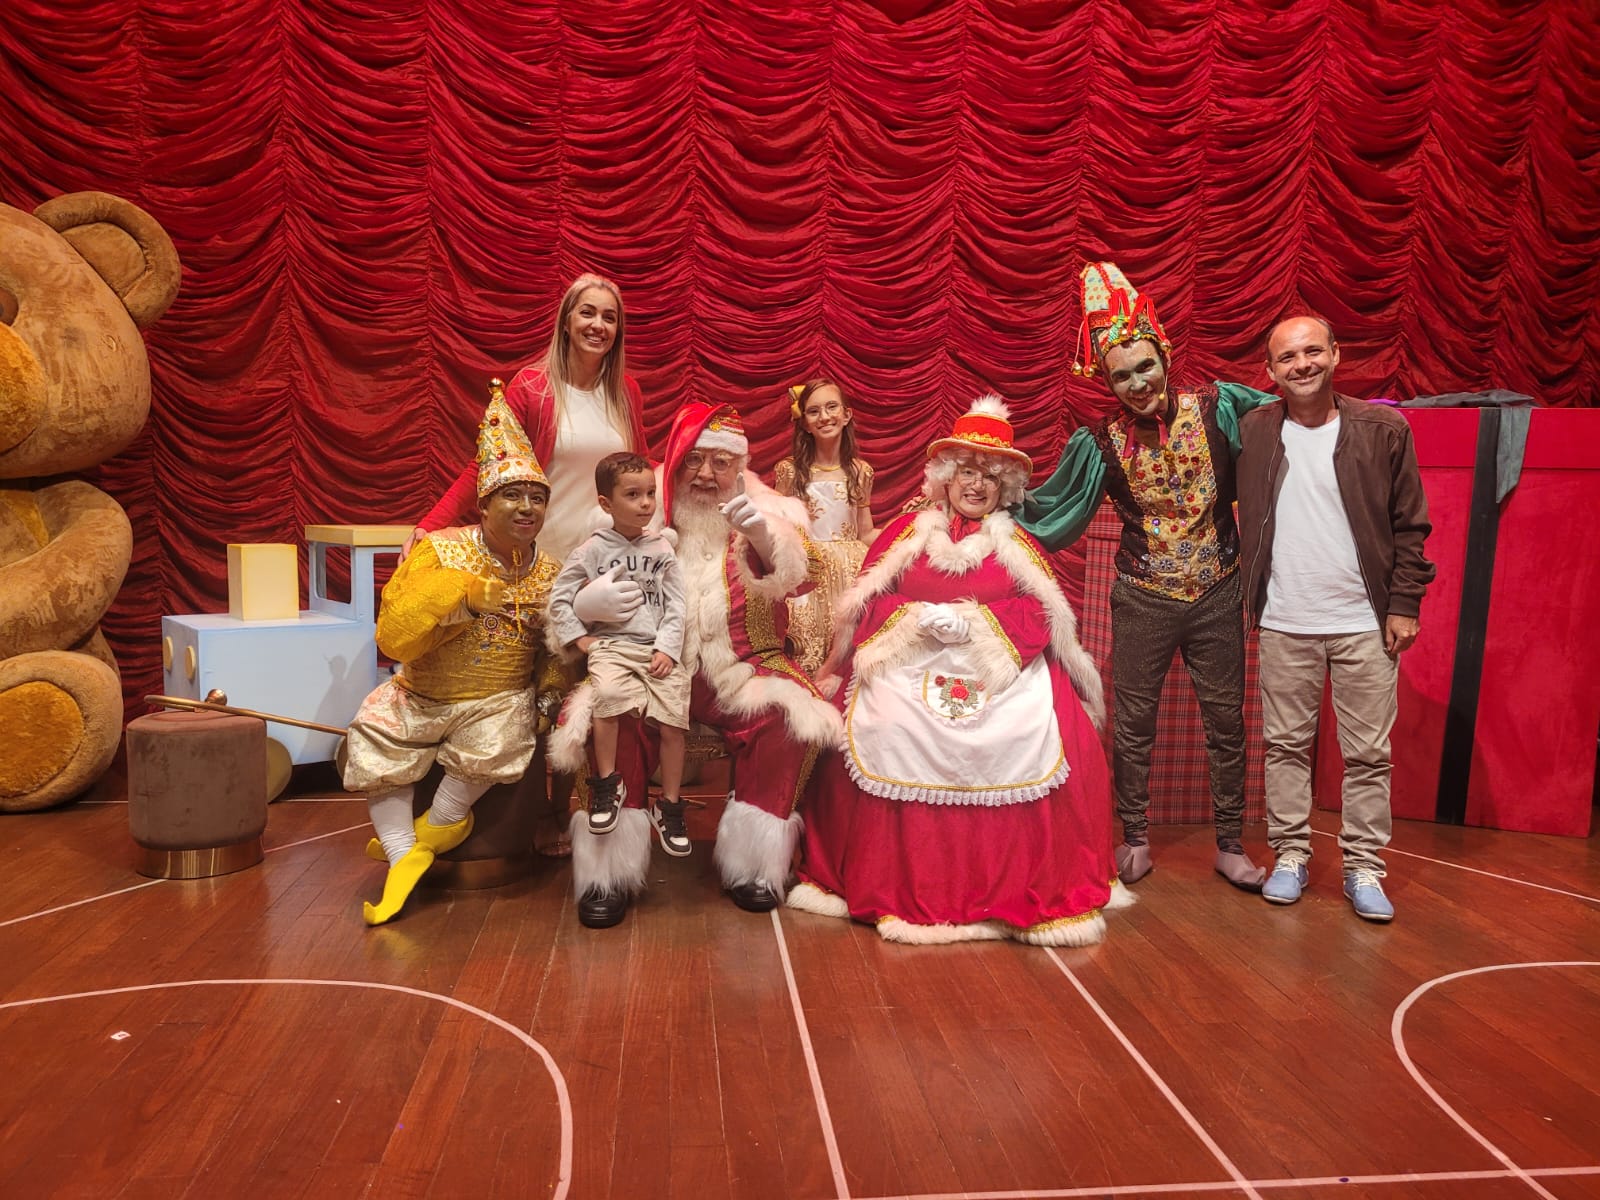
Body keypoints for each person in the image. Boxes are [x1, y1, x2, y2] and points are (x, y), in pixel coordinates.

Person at [788, 396, 1130, 946]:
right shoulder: (905, 535)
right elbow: (865, 607)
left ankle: (1000, 886)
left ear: (1005, 487)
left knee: (1038, 733)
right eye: (967, 471)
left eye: (990, 477)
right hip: (907, 664)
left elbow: (1044, 617)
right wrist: (914, 619)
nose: (976, 485)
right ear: (945, 477)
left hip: (998, 673)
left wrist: (974, 623)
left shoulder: (1018, 545)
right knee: (881, 725)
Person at [1020, 262, 1274, 891]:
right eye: (1121, 375)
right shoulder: (1100, 443)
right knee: (1133, 723)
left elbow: (1286, 427)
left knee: (1227, 723)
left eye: (1144, 367)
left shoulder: (1219, 408)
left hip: (1218, 591)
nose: (1137, 383)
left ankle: (1230, 844)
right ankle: (1134, 839)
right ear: (1106, 382)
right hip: (1142, 597)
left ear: (1164, 356)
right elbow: (1051, 510)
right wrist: (986, 500)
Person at [549, 402, 843, 928]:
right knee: (609, 713)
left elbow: (807, 578)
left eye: (721, 462)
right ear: (677, 461)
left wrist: (763, 538)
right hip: (646, 662)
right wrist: (586, 609)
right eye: (694, 460)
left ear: (740, 467)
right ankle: (609, 874)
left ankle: (753, 864)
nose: (706, 474)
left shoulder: (768, 515)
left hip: (744, 665)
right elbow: (568, 597)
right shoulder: (634, 515)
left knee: (786, 718)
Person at [407, 273, 648, 857]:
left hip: (605, 564)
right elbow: (487, 464)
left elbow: (639, 469)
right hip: (541, 559)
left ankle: (576, 808)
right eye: (587, 312)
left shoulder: (626, 392)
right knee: (541, 682)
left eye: (609, 317)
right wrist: (433, 522)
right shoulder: (534, 387)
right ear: (566, 319)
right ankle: (529, 811)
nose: (597, 325)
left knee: (589, 686)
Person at [1238, 315, 1434, 922]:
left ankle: (1363, 867)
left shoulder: (1383, 429)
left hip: (1363, 622)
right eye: (1288, 357)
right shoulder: (1254, 430)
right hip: (1284, 619)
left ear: (1336, 354)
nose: (1302, 364)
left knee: (1369, 754)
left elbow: (1411, 525)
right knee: (1285, 748)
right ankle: (1291, 855)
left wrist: (1404, 604)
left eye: (1313, 351)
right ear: (1270, 371)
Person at [344, 396, 562, 925]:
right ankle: (403, 852)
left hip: (497, 699)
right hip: (421, 692)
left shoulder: (553, 572)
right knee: (375, 736)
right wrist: (461, 597)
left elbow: (555, 650)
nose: (527, 507)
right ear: (483, 506)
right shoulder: (440, 551)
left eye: (537, 497)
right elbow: (393, 636)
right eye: (512, 495)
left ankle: (435, 828)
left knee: (503, 734)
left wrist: (550, 695)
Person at [546, 451, 691, 858]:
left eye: (650, 494)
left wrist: (668, 647)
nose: (646, 503)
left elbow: (677, 604)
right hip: (612, 647)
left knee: (674, 721)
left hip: (656, 650)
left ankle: (670, 805)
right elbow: (560, 598)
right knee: (607, 699)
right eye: (633, 495)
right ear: (606, 503)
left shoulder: (662, 548)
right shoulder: (592, 549)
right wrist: (579, 639)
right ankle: (608, 785)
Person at [771, 379, 877, 675]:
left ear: (846, 414)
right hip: (808, 572)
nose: (825, 416)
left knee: (843, 653)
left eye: (832, 407)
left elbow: (866, 532)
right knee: (805, 650)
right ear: (804, 423)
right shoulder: (790, 471)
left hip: (848, 573)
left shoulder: (860, 472)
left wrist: (905, 531)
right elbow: (779, 529)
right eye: (814, 411)